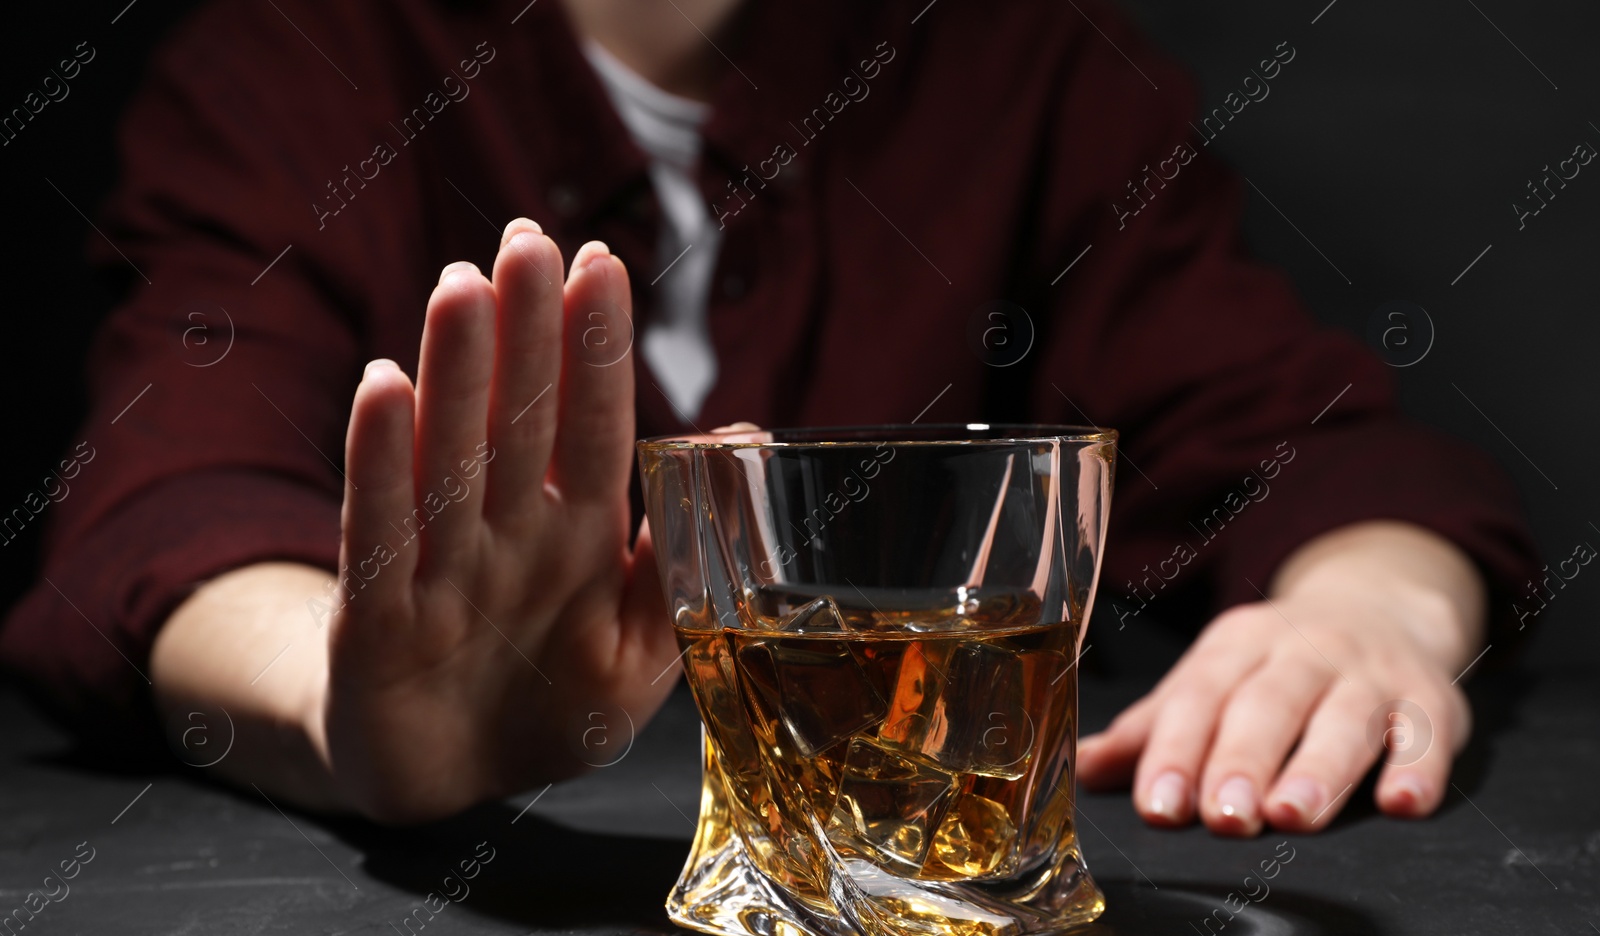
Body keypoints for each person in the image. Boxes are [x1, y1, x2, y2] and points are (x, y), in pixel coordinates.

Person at [2, 0, 1537, 835]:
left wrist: (1374, 613)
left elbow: (1317, 446)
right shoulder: (298, 52)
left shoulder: (1024, 59)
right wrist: (350, 712)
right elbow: (160, 500)